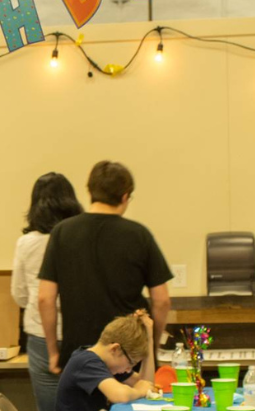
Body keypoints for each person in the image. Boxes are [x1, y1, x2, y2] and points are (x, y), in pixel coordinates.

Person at [38, 160, 172, 375]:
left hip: (79, 354)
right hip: (128, 356)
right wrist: (150, 347)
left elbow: (45, 298)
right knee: (132, 408)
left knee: (84, 409)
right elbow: (162, 300)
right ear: (125, 196)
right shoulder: (138, 235)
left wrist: (54, 352)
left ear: (90, 191)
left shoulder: (62, 233)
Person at [11, 172, 83, 411]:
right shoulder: (80, 237)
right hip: (81, 334)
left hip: (41, 338)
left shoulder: (27, 243)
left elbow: (19, 296)